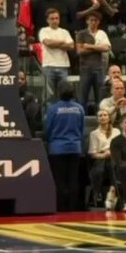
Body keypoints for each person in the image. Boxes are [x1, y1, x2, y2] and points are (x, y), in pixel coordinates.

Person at [44, 81, 85, 212]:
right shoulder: (79, 108)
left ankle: (60, 207)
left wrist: (52, 141)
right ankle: (73, 207)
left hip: (57, 148)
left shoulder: (53, 109)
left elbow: (48, 129)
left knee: (59, 180)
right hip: (75, 147)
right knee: (73, 179)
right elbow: (81, 128)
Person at [75, 12, 111, 115]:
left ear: (99, 22)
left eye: (95, 20)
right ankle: (83, 118)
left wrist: (89, 46)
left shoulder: (102, 33)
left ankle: (100, 117)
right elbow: (79, 51)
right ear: (87, 21)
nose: (93, 22)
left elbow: (107, 48)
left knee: (99, 96)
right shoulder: (81, 34)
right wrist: (98, 48)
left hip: (99, 68)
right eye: (91, 20)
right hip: (85, 68)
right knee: (83, 96)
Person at [38, 8, 74, 101]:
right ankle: (48, 114)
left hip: (63, 66)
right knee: (48, 94)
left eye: (57, 18)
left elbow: (71, 46)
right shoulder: (44, 31)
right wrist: (62, 42)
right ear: (47, 20)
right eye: (52, 18)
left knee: (64, 93)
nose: (55, 20)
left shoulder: (64, 32)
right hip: (48, 65)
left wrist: (55, 44)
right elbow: (48, 43)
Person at [88, 108, 120, 209]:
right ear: (97, 119)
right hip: (101, 158)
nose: (103, 117)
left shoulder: (116, 131)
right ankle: (112, 193)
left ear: (109, 118)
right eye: (100, 116)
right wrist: (104, 155)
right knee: (105, 165)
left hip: (115, 158)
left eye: (105, 115)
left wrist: (112, 153)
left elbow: (120, 148)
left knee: (111, 163)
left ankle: (107, 194)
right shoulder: (94, 133)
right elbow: (92, 153)